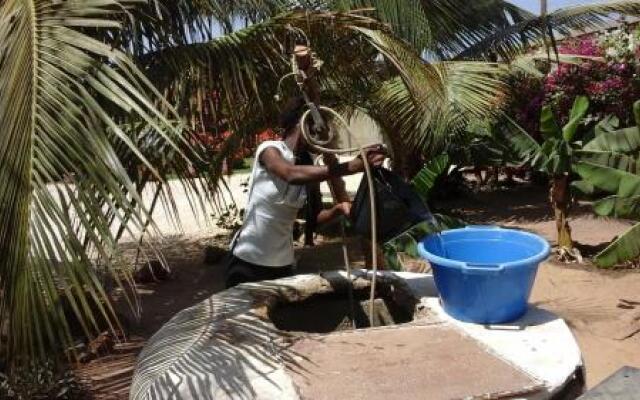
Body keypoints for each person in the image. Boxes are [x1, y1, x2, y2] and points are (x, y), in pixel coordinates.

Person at [225, 97, 386, 288]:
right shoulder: (269, 150)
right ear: (304, 124)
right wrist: (350, 167)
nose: (323, 135)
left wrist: (338, 209)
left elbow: (313, 220)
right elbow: (289, 174)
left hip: (282, 266)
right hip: (248, 261)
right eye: (319, 127)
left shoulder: (306, 165)